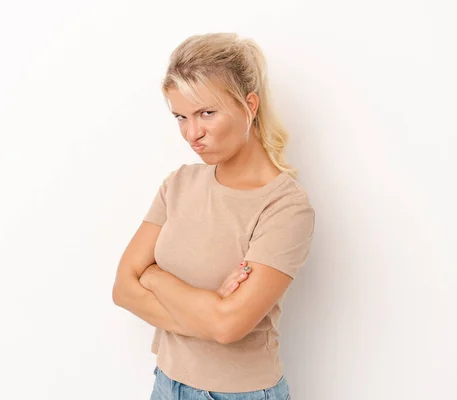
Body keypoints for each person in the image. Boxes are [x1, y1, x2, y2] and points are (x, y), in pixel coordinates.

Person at [112, 32, 315, 400]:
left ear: (249, 105)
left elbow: (227, 326)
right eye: (181, 117)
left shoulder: (285, 207)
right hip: (166, 383)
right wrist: (206, 310)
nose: (193, 133)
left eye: (207, 113)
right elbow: (123, 288)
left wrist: (154, 276)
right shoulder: (179, 184)